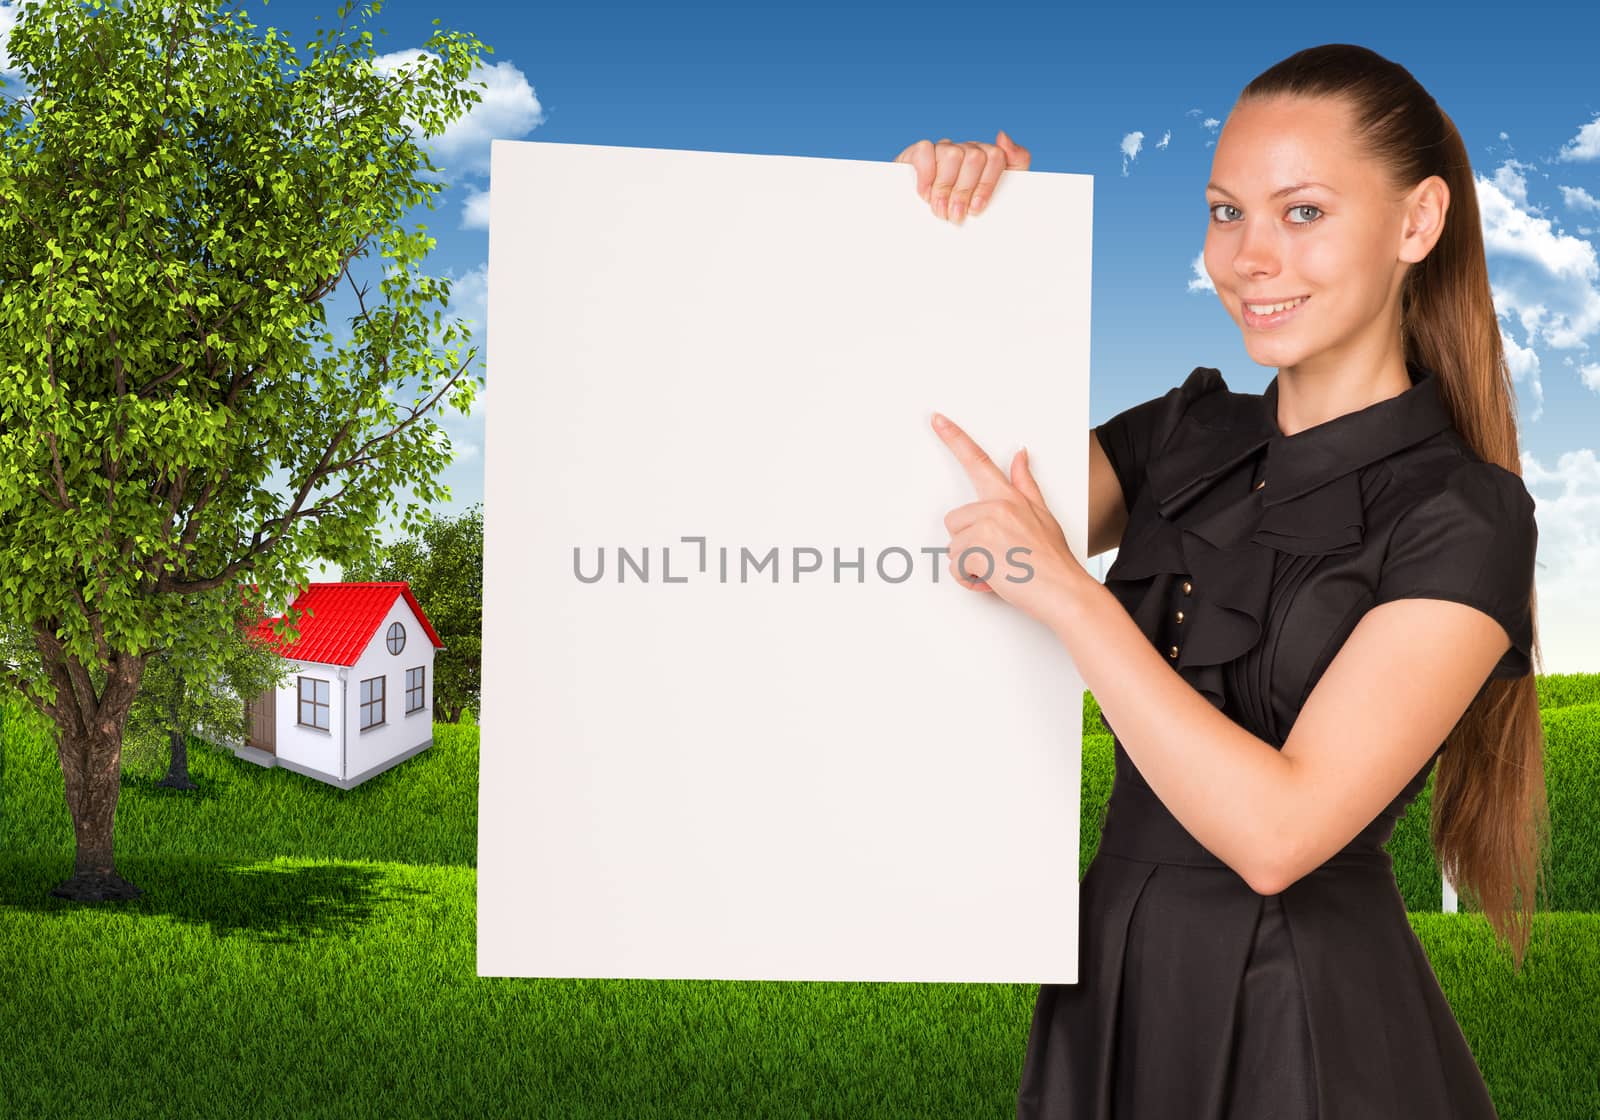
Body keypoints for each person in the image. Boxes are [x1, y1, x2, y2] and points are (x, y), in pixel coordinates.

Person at [900, 43, 1549, 1119]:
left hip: (1300, 1016)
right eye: (1223, 210)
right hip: (1105, 980)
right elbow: (944, 499)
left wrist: (1071, 594)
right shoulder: (1181, 434)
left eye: (1300, 213)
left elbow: (1277, 836)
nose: (1248, 257)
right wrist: (964, 244)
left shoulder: (1464, 515)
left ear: (1416, 222)